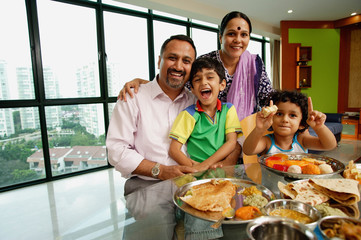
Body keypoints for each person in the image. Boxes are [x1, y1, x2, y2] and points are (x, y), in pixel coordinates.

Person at [118, 11, 273, 121]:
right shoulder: (206, 62)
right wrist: (142, 82)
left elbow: (267, 97)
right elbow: (178, 83)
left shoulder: (254, 64)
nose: (238, 40)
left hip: (247, 133)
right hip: (211, 132)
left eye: (244, 35)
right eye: (231, 34)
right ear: (221, 37)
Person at [106, 34, 198, 196]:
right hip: (145, 185)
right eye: (172, 58)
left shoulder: (195, 101)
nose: (178, 66)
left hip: (191, 184)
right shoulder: (133, 97)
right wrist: (160, 170)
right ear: (159, 61)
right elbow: (116, 150)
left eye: (186, 61)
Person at [169, 57, 243, 172]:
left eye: (210, 77)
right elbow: (174, 150)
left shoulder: (228, 109)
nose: (203, 82)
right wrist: (196, 168)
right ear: (192, 89)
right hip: (198, 173)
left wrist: (206, 164)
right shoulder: (188, 114)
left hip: (223, 170)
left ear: (222, 85)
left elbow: (231, 142)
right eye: (197, 80)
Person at [243, 90, 337, 156]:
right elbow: (248, 150)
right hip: (270, 185)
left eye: (292, 115)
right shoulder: (266, 142)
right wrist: (259, 129)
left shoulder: (302, 140)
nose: (285, 119)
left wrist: (319, 127)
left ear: (302, 124)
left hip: (301, 185)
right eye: (279, 114)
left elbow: (329, 145)